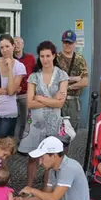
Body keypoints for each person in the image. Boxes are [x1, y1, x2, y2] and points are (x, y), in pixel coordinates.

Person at [19, 41, 69, 188]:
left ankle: (47, 188)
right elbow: (29, 103)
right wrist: (51, 100)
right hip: (35, 123)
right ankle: (28, 186)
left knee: (50, 156)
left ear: (54, 55)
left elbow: (60, 103)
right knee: (32, 157)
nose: (45, 59)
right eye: (42, 56)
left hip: (53, 123)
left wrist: (39, 97)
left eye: (48, 56)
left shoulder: (62, 75)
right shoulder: (34, 77)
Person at [0, 34, 26, 139]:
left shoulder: (19, 66)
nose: (4, 50)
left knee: (5, 148)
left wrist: (9, 69)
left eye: (7, 46)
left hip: (9, 112)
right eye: (2, 47)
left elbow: (12, 90)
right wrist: (5, 91)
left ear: (13, 46)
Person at [56, 31, 88, 131]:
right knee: (57, 127)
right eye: (65, 42)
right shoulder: (55, 58)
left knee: (73, 128)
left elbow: (84, 82)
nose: (67, 45)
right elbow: (53, 78)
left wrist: (66, 86)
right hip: (57, 99)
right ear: (62, 42)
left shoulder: (80, 59)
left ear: (74, 43)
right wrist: (74, 78)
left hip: (73, 100)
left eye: (70, 43)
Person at [14, 36, 36, 140]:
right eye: (15, 42)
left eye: (19, 42)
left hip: (25, 94)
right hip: (11, 94)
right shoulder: (10, 60)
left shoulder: (30, 58)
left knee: (24, 120)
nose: (17, 44)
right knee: (12, 120)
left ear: (23, 45)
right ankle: (11, 143)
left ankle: (21, 142)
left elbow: (35, 75)